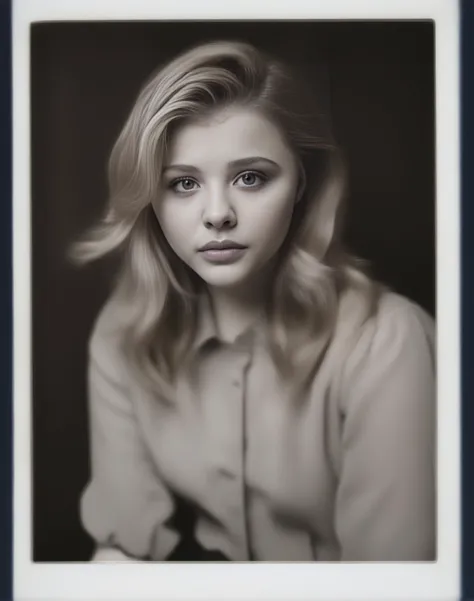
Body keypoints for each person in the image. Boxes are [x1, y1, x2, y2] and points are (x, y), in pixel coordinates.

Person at [73, 40, 436, 562]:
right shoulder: (123, 333)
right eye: (183, 184)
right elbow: (122, 556)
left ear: (302, 185)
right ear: (150, 197)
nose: (217, 214)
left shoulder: (389, 343)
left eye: (251, 177)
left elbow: (395, 585)